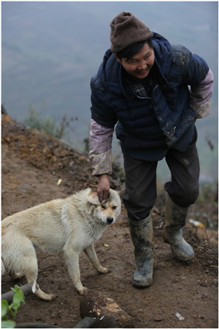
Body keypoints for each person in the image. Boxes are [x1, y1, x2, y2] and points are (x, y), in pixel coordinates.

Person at [89, 12, 214, 288]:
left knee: (188, 189)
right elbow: (101, 127)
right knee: (137, 199)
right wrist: (102, 174)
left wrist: (194, 112)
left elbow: (204, 77)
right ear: (119, 59)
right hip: (138, 141)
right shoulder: (105, 84)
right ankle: (144, 257)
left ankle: (173, 233)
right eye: (131, 61)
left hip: (179, 131)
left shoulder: (176, 59)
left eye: (146, 56)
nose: (142, 65)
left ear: (151, 45)